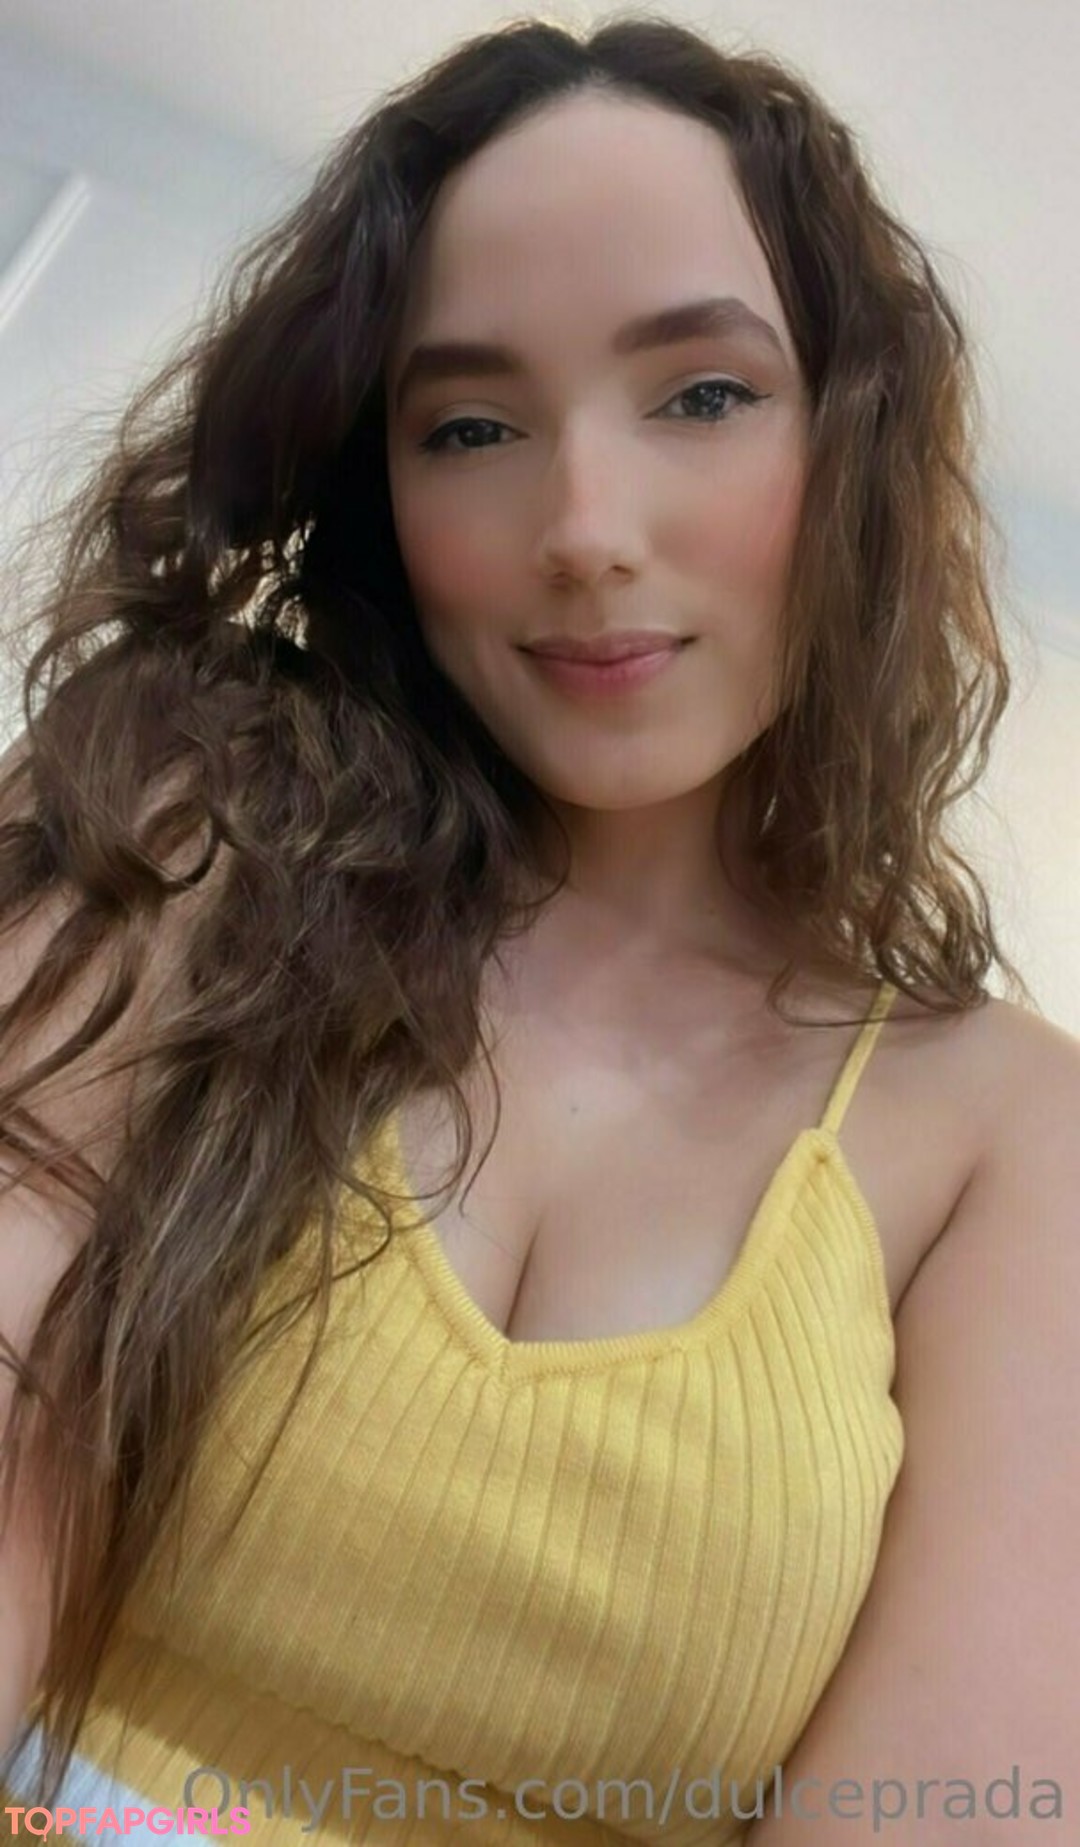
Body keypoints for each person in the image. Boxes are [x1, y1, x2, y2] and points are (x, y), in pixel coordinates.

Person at [0, 13, 1077, 1845]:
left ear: (861, 442)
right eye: (473, 427)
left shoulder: (1016, 1140)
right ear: (383, 486)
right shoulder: (186, 818)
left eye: (704, 396)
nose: (582, 527)